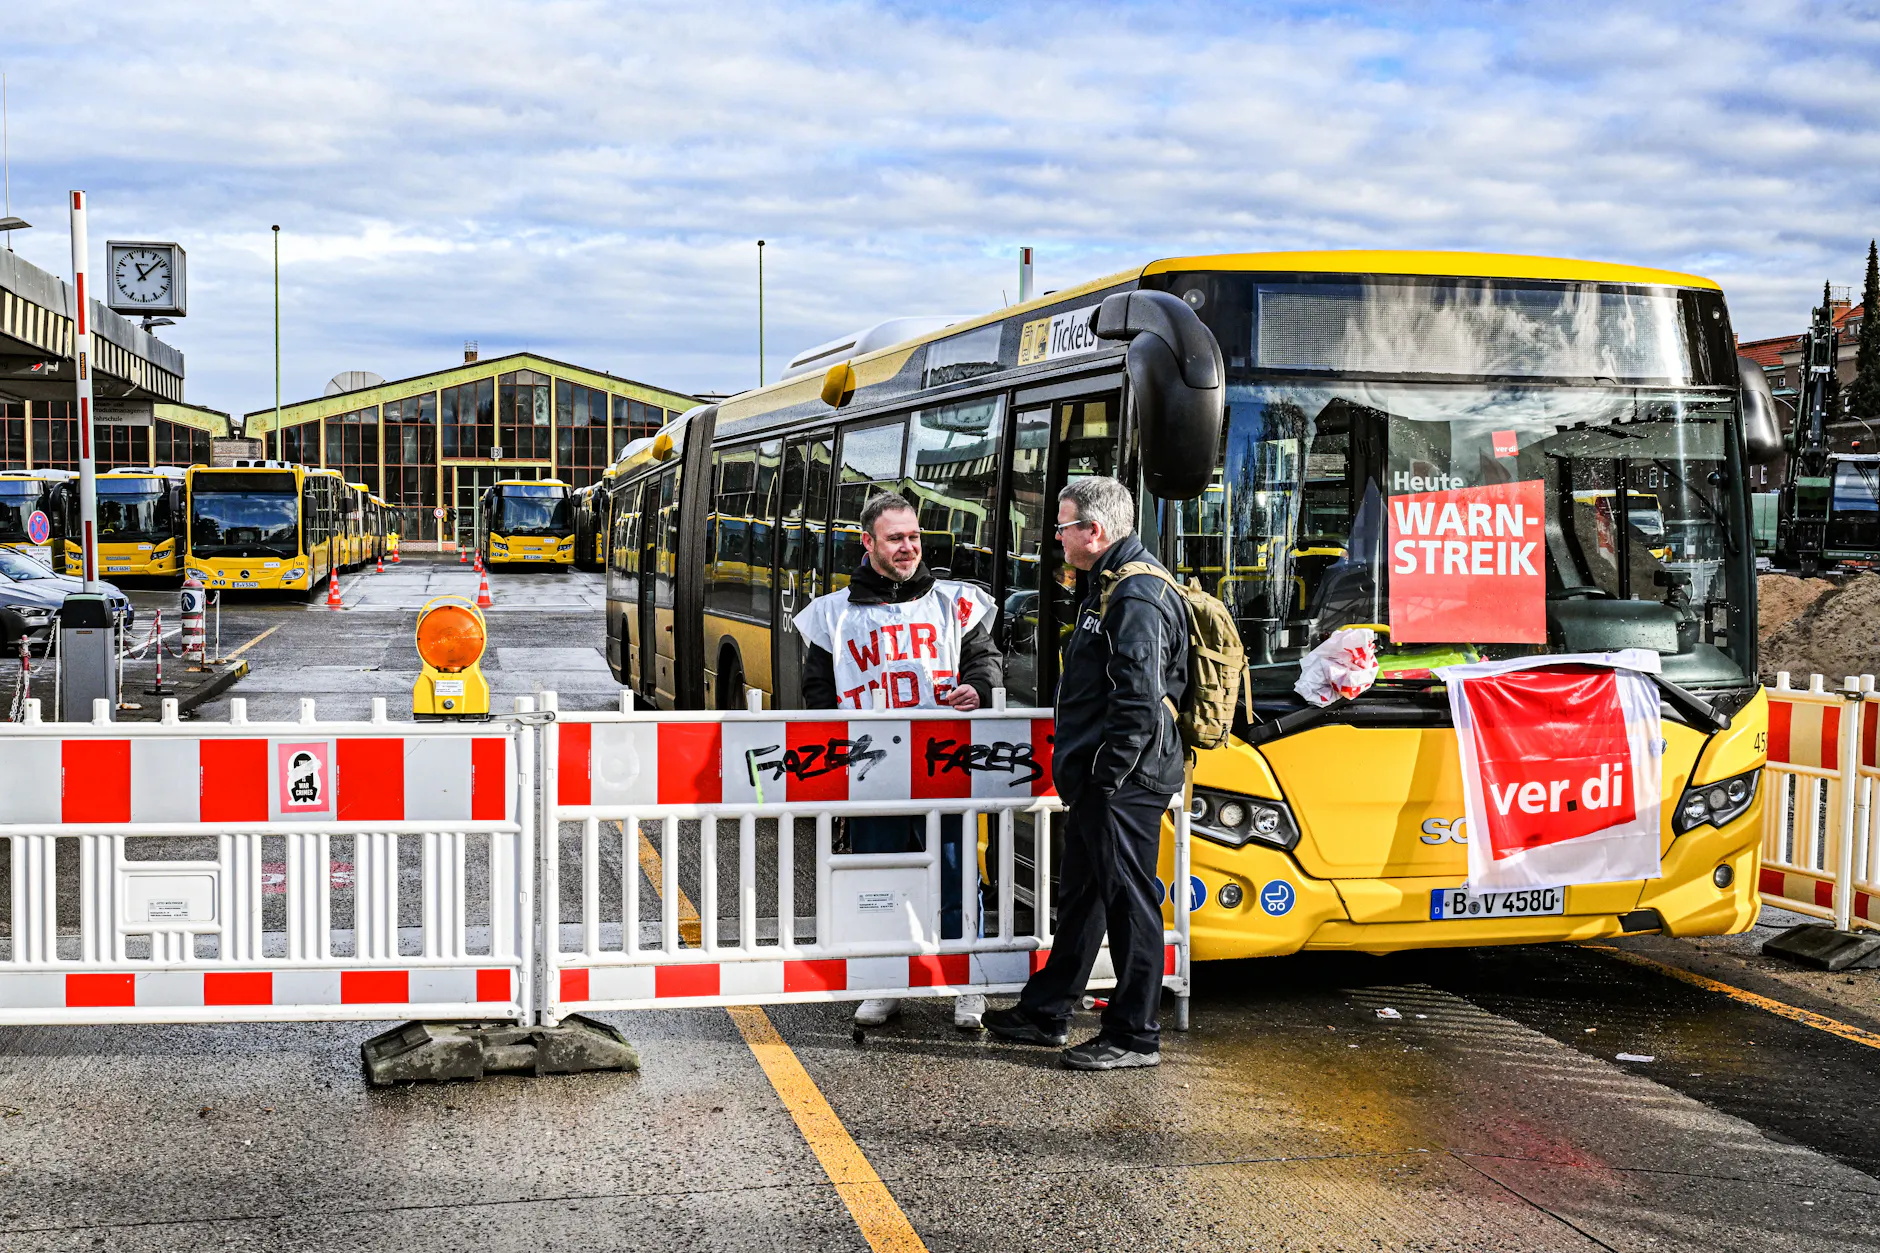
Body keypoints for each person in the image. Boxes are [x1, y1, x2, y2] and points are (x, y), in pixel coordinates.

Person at [983, 476, 1188, 1070]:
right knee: (1084, 894)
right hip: (1106, 779)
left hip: (1124, 782)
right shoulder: (1109, 584)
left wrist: (1107, 773)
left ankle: (1134, 1034)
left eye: (1064, 526)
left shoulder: (1136, 596)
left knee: (1130, 901)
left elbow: (1138, 699)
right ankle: (1047, 1010)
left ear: (1093, 532)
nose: (1057, 537)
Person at [793, 490, 1002, 1030]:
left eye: (914, 536)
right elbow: (816, 694)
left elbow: (986, 662)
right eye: (896, 539)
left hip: (947, 765)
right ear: (868, 543)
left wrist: (978, 687)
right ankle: (883, 982)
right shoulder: (830, 616)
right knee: (877, 877)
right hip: (873, 774)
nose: (909, 547)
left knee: (957, 874)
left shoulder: (956, 603)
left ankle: (965, 982)